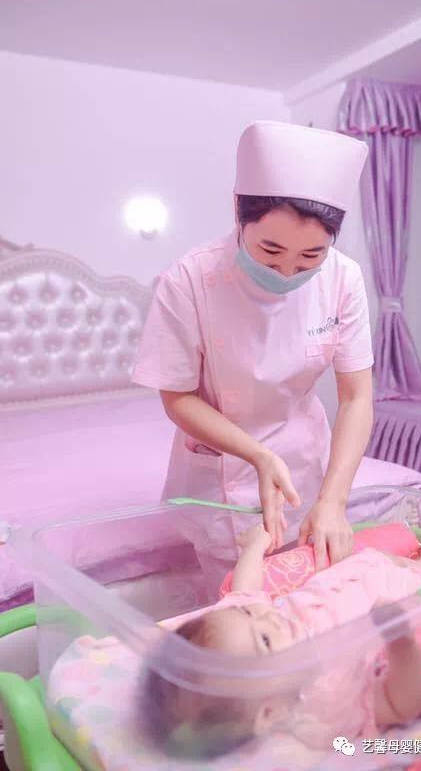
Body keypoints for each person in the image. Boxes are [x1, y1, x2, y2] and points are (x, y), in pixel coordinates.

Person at [131, 121, 374, 592]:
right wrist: (257, 454)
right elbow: (177, 397)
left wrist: (334, 500)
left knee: (310, 605)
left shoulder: (344, 279)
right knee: (233, 611)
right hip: (221, 466)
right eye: (270, 250)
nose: (287, 271)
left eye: (310, 256)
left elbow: (357, 397)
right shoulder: (190, 279)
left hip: (304, 464)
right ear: (238, 214)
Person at [142, 524, 421, 760]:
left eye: (248, 614)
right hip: (390, 603)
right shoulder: (324, 703)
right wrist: (401, 642)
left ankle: (414, 562)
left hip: (341, 579)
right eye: (264, 639)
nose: (267, 616)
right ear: (270, 712)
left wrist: (254, 546)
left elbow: (245, 591)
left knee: (372, 559)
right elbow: (400, 704)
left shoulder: (249, 625)